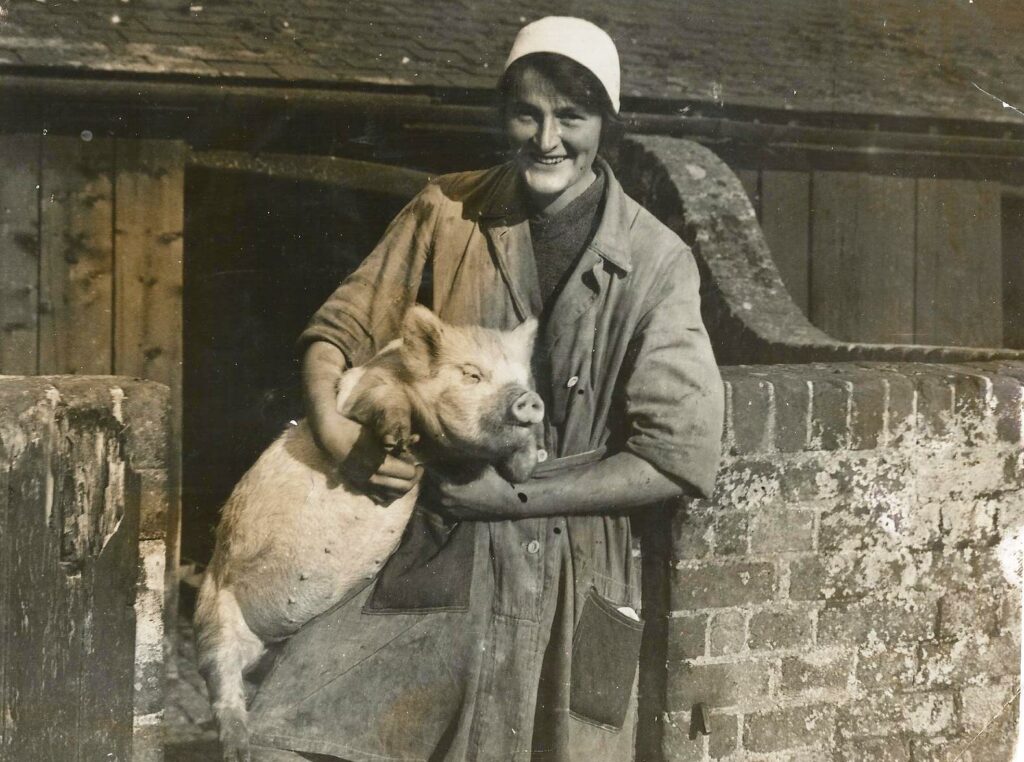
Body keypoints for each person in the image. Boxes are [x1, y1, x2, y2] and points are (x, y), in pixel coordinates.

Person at [245, 16, 723, 762]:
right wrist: (343, 440)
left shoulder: (658, 262)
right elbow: (335, 332)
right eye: (527, 113)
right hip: (436, 549)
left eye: (573, 116)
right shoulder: (449, 211)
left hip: (576, 569)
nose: (547, 139)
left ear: (607, 125)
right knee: (283, 735)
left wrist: (517, 499)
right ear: (504, 115)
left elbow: (677, 458)